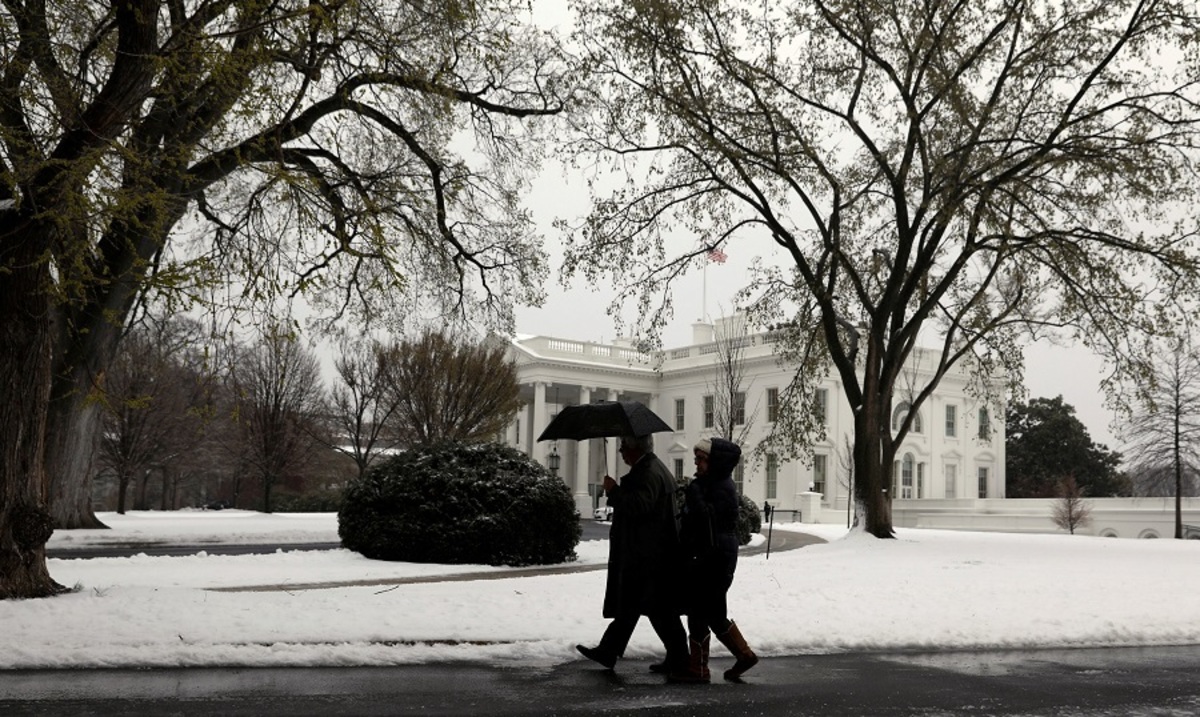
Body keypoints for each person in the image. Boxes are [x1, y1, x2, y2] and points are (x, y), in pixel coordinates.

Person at [576, 434, 689, 673]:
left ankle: (679, 657)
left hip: (650, 554)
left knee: (655, 609)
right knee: (639, 606)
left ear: (637, 447)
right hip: (653, 552)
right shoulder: (652, 467)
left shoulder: (648, 472)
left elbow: (640, 506)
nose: (621, 451)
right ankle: (610, 651)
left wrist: (614, 491)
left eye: (624, 446)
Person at [671, 437, 758, 683]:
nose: (696, 463)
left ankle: (699, 669)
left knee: (700, 611)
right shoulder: (714, 484)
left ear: (714, 462)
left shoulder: (719, 486)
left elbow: (707, 520)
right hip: (715, 556)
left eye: (701, 459)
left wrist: (694, 495)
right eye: (696, 458)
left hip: (714, 557)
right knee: (713, 612)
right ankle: (743, 655)